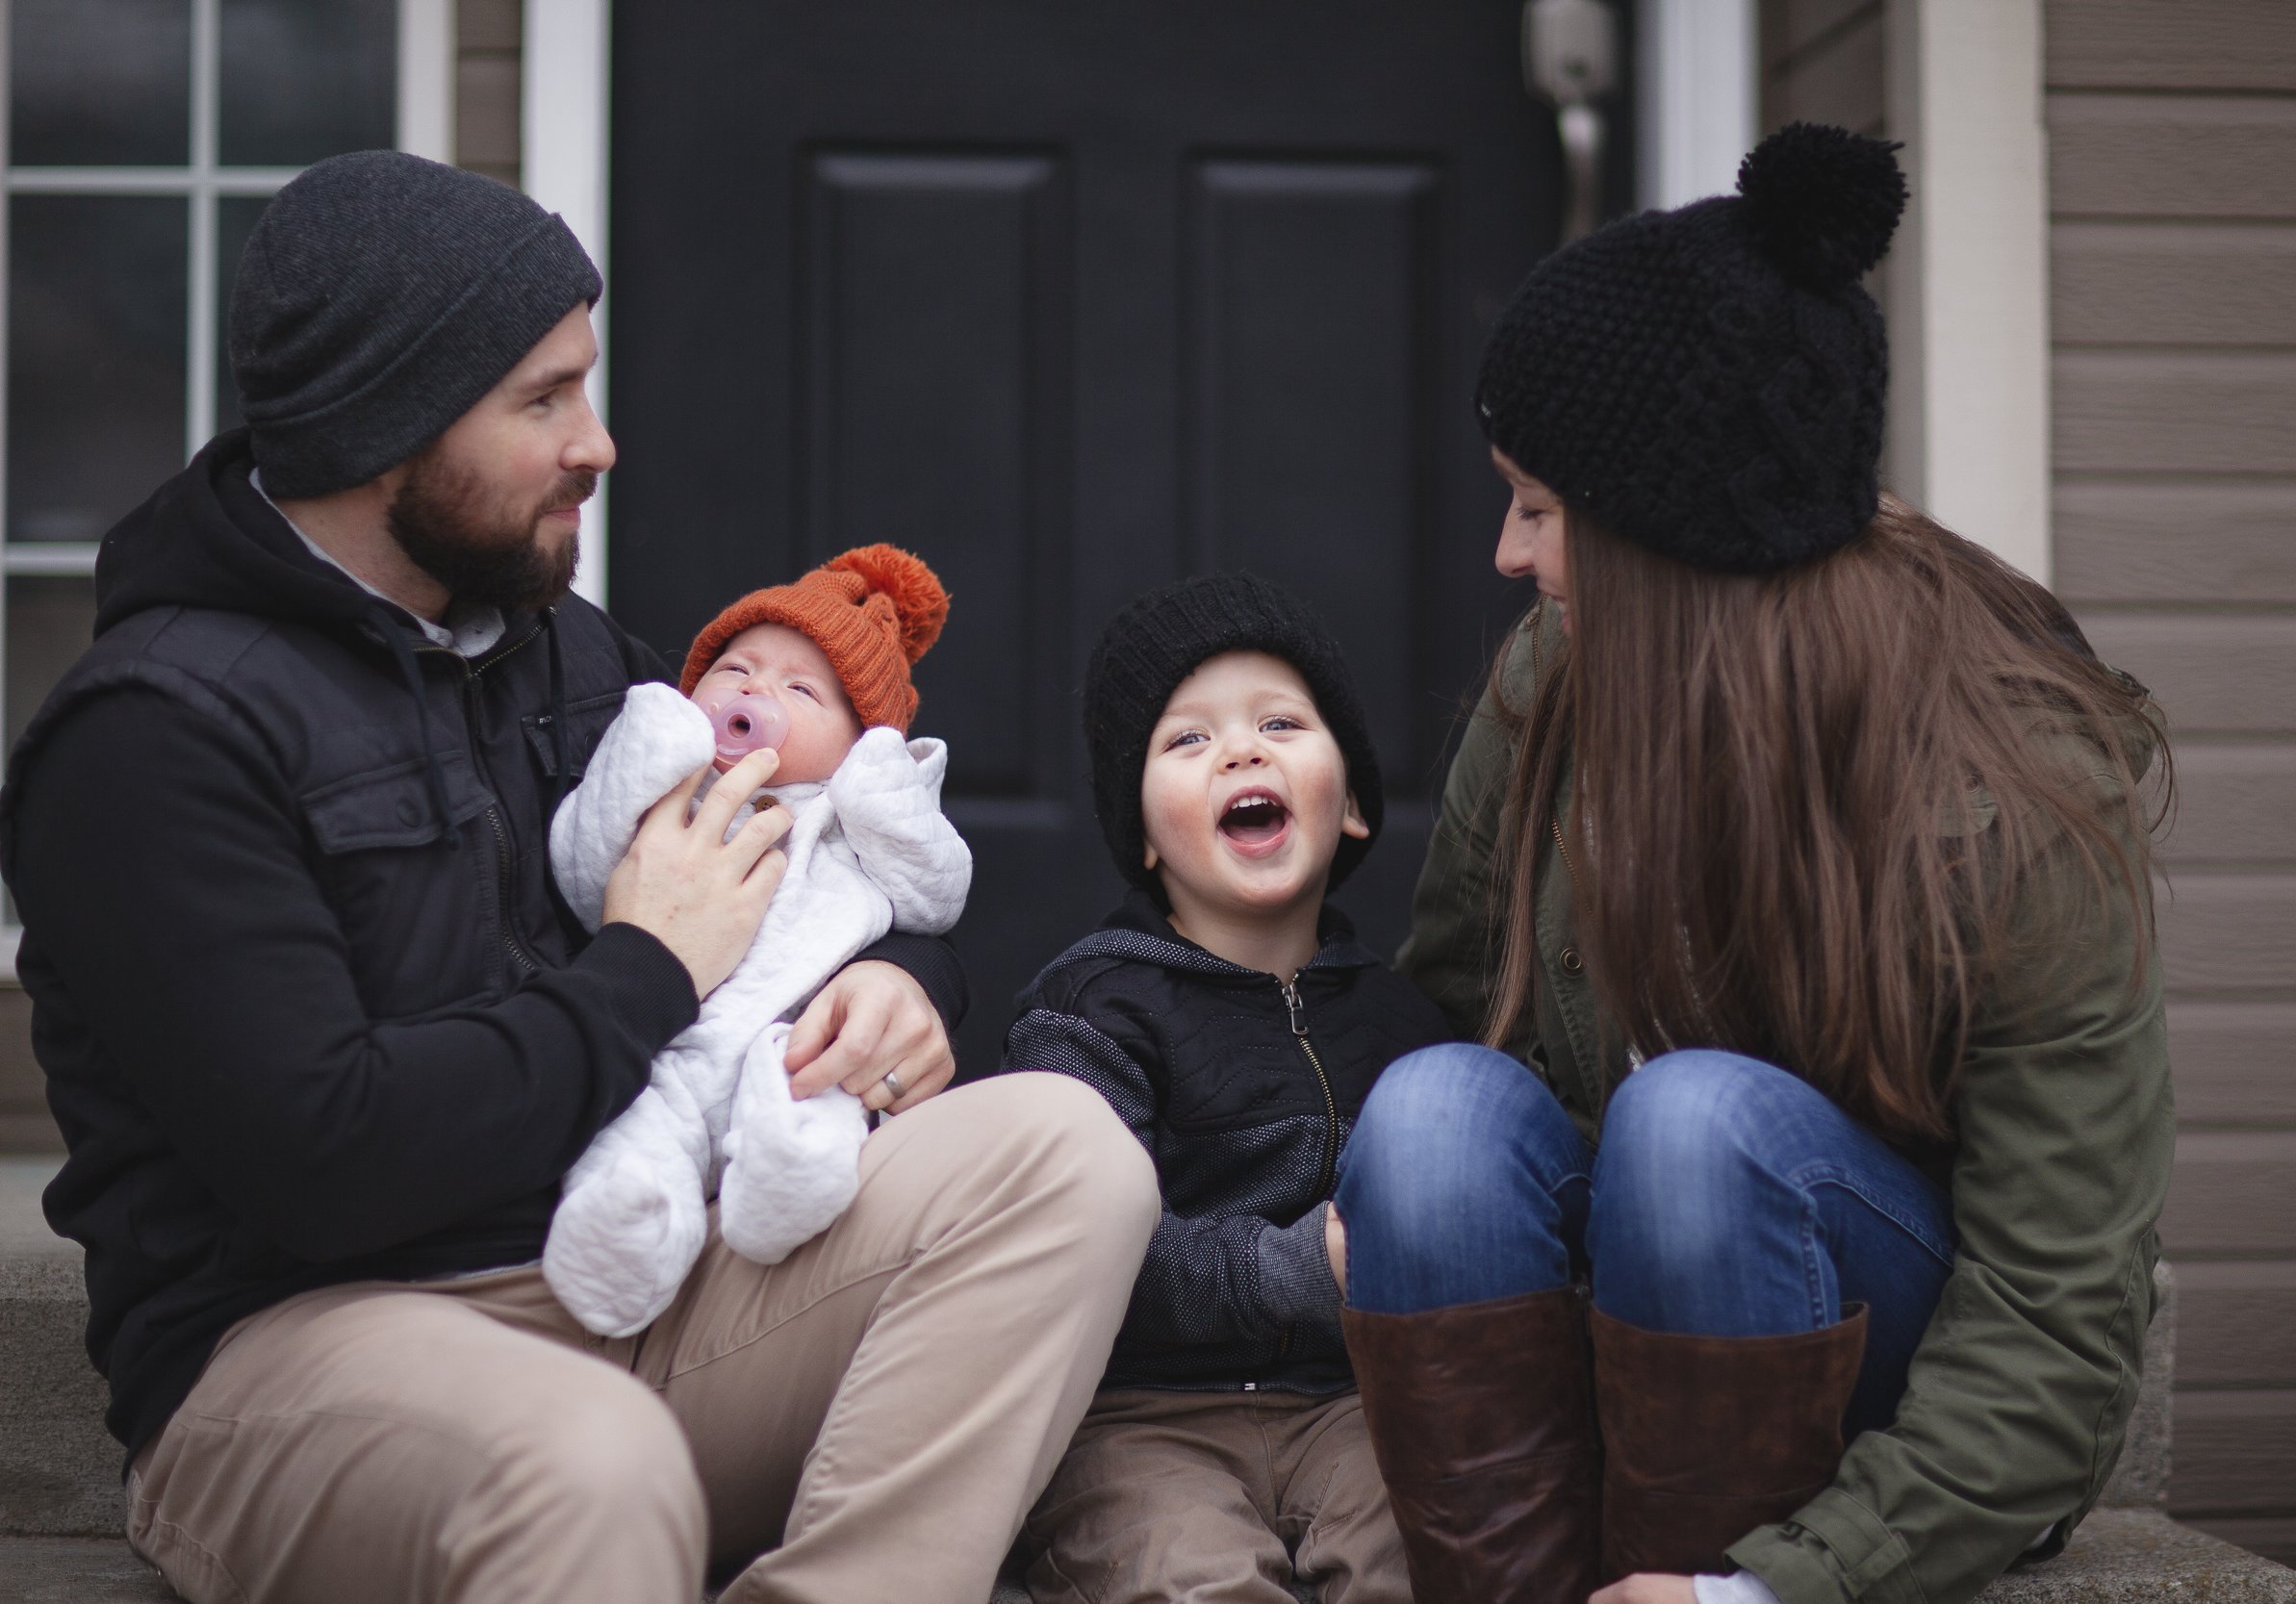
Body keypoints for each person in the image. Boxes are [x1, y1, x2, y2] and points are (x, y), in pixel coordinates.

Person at [0, 150, 1154, 1604]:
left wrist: (893, 983)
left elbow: (801, 860)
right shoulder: (155, 736)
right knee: (589, 1459)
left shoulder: (559, 653)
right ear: (386, 427)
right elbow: (327, 1165)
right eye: (544, 400)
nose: (597, 443)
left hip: (641, 1271)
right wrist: (644, 970)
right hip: (305, 1348)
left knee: (1068, 1149)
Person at [1331, 125, 2175, 1604]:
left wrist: (1781, 1588)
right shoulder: (1555, 693)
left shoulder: (2002, 793)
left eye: (1538, 506)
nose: (1506, 554)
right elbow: (1450, 1011)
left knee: (1701, 1124)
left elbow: (2056, 1319)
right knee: (1428, 1115)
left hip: (1900, 1399)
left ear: (1668, 540)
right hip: (1607, 1355)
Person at [1007, 574, 1448, 1604]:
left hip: (1354, 1407)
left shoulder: (1406, 1021)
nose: (1243, 750)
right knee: (1189, 1576)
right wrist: (1284, 1269)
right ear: (1146, 837)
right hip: (1140, 1415)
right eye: (1188, 739)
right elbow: (1074, 1244)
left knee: (1413, 1555)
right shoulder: (1091, 1008)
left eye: (1281, 722)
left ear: (1353, 809)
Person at [543, 544, 973, 1337]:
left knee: (813, 1099)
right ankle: (623, 1241)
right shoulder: (670, 794)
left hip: (793, 1046)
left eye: (801, 688)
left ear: (856, 742)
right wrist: (646, 747)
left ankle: (788, 1182)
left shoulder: (850, 820)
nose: (754, 690)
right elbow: (579, 869)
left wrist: (882, 786)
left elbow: (936, 894)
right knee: (639, 1137)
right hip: (659, 1051)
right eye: (734, 668)